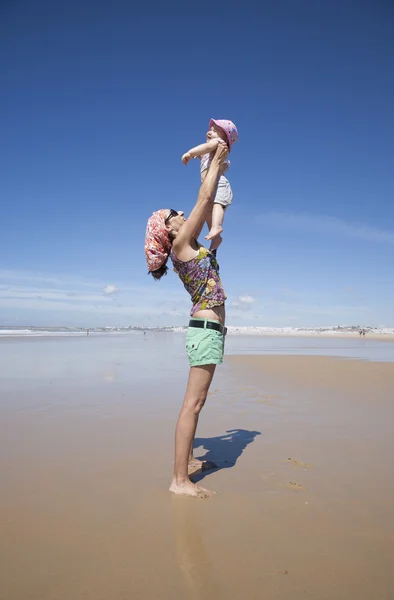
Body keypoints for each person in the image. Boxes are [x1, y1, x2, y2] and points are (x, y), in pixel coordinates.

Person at [144, 143, 229, 498]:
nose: (181, 213)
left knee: (198, 403)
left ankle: (190, 462)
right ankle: (179, 481)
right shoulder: (180, 244)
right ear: (169, 230)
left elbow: (206, 200)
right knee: (192, 404)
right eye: (173, 213)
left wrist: (214, 165)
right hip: (205, 331)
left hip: (208, 330)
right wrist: (214, 164)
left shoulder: (190, 243)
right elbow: (204, 196)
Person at [181, 119, 238, 248]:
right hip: (210, 185)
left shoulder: (217, 143)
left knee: (218, 205)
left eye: (215, 131)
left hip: (219, 183)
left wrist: (191, 153)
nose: (210, 132)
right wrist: (199, 156)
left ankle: (217, 226)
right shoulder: (211, 149)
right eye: (210, 130)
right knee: (207, 212)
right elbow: (205, 153)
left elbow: (205, 147)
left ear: (225, 138)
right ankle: (216, 238)